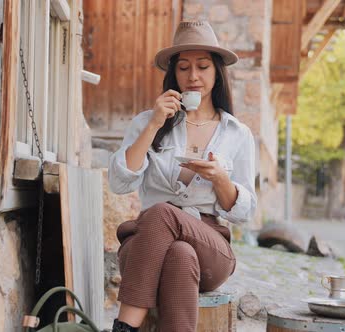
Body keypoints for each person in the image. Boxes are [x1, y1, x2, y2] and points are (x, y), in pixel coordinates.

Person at [108, 21, 257, 332]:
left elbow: (245, 212)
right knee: (178, 252)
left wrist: (221, 180)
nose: (193, 77)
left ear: (217, 72)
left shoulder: (237, 134)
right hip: (146, 246)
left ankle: (124, 327)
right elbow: (120, 183)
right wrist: (153, 125)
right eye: (184, 68)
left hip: (210, 246)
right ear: (173, 74)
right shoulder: (147, 122)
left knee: (164, 213)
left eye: (202, 67)